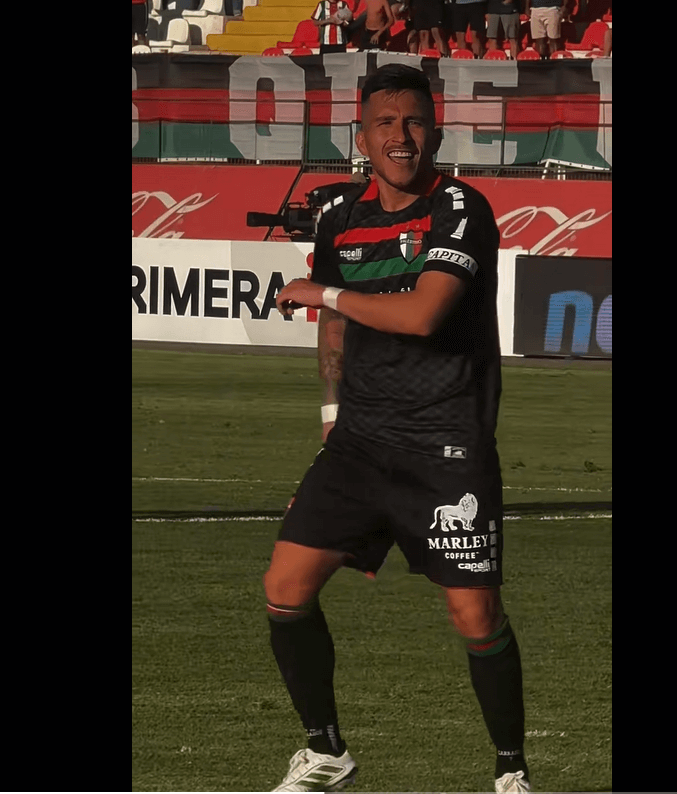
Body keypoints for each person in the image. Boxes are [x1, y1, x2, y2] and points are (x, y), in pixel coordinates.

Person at [268, 63, 530, 794]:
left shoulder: (460, 209)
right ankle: (325, 753)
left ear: (436, 132)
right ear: (362, 136)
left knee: (474, 615)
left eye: (413, 122)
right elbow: (332, 329)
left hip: (446, 443)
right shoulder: (339, 218)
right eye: (385, 123)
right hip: (357, 442)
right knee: (284, 588)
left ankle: (510, 772)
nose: (400, 136)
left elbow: (420, 315)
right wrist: (329, 417)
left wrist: (322, 290)